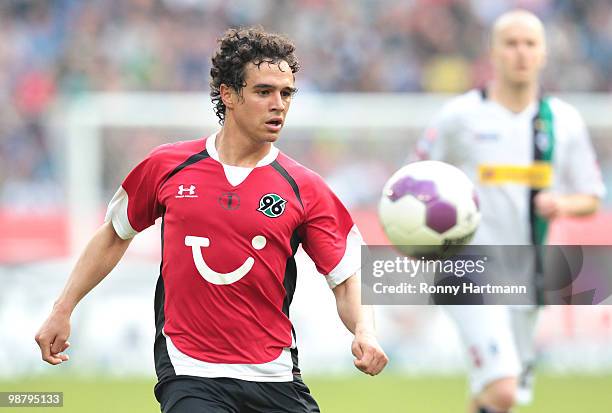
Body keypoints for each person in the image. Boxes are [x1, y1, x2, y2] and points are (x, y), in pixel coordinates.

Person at [35, 26, 388, 413]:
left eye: (286, 93)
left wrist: (365, 331)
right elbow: (114, 236)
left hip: (274, 375)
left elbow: (345, 276)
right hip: (190, 372)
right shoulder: (168, 167)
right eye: (263, 91)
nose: (279, 105)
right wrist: (62, 309)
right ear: (229, 95)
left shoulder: (305, 188)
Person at [414, 9, 605, 413]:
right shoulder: (460, 116)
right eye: (511, 43)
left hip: (528, 275)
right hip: (467, 269)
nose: (521, 52)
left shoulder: (562, 122)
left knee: (500, 398)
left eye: (530, 43)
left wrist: (560, 204)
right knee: (502, 388)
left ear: (544, 54)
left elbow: (591, 196)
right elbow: (416, 178)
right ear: (493, 52)